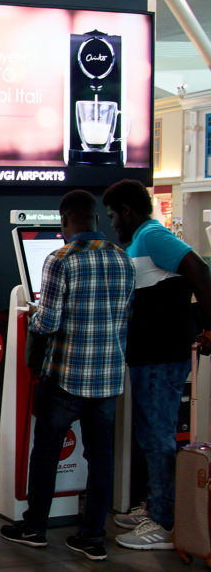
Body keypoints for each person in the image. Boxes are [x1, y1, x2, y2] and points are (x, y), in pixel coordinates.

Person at [1, 190, 135, 560]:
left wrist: (32, 309)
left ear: (65, 222)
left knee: (45, 451)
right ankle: (92, 537)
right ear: (95, 219)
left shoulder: (61, 260)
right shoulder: (124, 260)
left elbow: (47, 322)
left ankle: (35, 528)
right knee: (100, 458)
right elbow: (124, 319)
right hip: (108, 379)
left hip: (66, 377)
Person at [102, 179, 211, 550]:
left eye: (114, 215)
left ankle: (164, 522)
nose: (113, 223)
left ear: (127, 212)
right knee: (150, 434)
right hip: (148, 354)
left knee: (158, 435)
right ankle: (156, 505)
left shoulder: (152, 236)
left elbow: (198, 269)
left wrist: (209, 325)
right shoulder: (139, 241)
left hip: (163, 354)